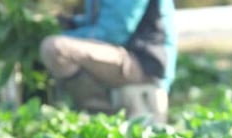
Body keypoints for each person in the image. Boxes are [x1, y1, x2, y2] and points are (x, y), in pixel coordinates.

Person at [40, 0, 177, 123]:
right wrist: (68, 23)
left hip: (144, 62)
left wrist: (64, 36)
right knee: (59, 47)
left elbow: (113, 33)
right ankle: (100, 116)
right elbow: (99, 21)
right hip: (127, 55)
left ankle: (102, 116)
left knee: (55, 49)